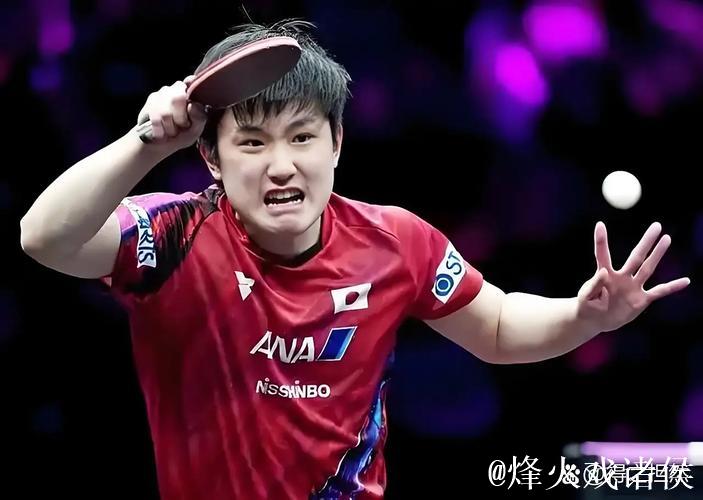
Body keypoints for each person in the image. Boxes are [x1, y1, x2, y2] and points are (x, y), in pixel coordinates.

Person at [19, 18, 690, 500]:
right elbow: (44, 237)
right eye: (251, 143)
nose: (281, 165)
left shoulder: (395, 240)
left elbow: (496, 325)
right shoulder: (175, 233)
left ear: (336, 143)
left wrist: (582, 317)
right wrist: (145, 141)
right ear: (211, 158)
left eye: (302, 137)